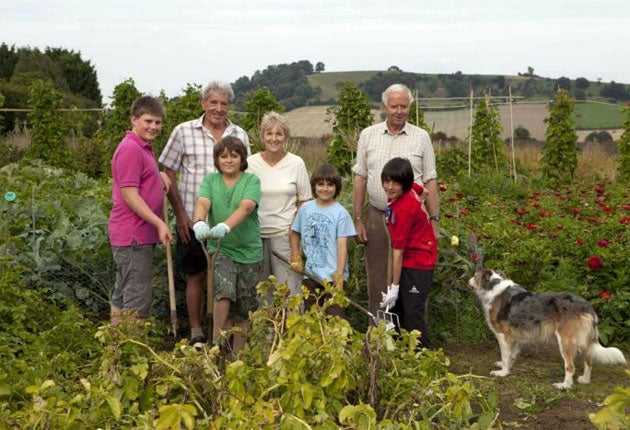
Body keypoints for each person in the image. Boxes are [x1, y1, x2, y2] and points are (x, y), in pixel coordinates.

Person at [159, 81, 250, 344]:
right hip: (192, 217)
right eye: (213, 103)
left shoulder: (239, 134)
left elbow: (246, 175)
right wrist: (181, 215)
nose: (218, 109)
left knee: (226, 279)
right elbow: (169, 172)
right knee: (196, 273)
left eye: (224, 104)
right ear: (203, 104)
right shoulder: (184, 131)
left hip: (228, 223)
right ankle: (197, 330)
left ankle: (222, 332)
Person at [352, 83, 439, 318]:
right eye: (394, 106)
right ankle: (379, 333)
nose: (399, 111)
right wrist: (358, 218)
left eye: (404, 106)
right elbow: (360, 178)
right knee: (378, 276)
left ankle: (409, 335)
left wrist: (434, 219)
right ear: (384, 107)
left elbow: (430, 179)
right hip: (378, 216)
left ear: (410, 106)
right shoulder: (368, 135)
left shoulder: (421, 137)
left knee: (411, 278)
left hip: (413, 221)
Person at [191, 136, 262, 351]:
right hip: (221, 250)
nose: (228, 160)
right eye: (223, 156)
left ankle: (236, 357)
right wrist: (199, 222)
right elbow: (203, 202)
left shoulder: (251, 181)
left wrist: (225, 226)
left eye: (234, 156)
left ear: (242, 159)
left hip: (249, 251)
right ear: (217, 159)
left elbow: (246, 207)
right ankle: (215, 344)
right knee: (224, 291)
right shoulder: (211, 181)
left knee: (244, 307)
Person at [109, 95, 173, 325]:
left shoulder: (143, 147)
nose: (153, 127)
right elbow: (129, 194)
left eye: (157, 122)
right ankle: (131, 354)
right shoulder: (130, 149)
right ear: (134, 119)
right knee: (136, 298)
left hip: (135, 236)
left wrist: (159, 175)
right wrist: (158, 223)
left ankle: (115, 348)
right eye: (148, 121)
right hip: (133, 236)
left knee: (123, 292)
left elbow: (141, 178)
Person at [247, 111, 312, 299]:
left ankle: (292, 328)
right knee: (261, 295)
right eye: (269, 133)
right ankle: (264, 329)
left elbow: (304, 201)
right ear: (262, 136)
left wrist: (294, 231)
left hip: (285, 237)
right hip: (255, 238)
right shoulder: (251, 163)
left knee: (290, 292)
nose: (274, 138)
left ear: (286, 137)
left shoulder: (296, 163)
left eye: (279, 134)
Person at [379, 157, 437, 349]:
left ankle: (426, 356)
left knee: (412, 312)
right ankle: (402, 353)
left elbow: (398, 251)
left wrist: (394, 287)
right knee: (398, 309)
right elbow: (424, 190)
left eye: (395, 183)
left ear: (404, 183)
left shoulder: (404, 208)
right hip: (409, 259)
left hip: (419, 261)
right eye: (386, 181)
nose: (389, 186)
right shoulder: (406, 190)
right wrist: (420, 199)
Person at [289, 164, 356, 317]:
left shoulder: (341, 213)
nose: (325, 189)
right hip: (311, 275)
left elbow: (342, 246)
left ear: (337, 187)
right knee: (311, 317)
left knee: (334, 317)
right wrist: (296, 256)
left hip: (333, 277)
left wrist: (339, 276)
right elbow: (294, 232)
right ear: (314, 186)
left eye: (330, 185)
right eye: (320, 184)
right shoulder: (306, 209)